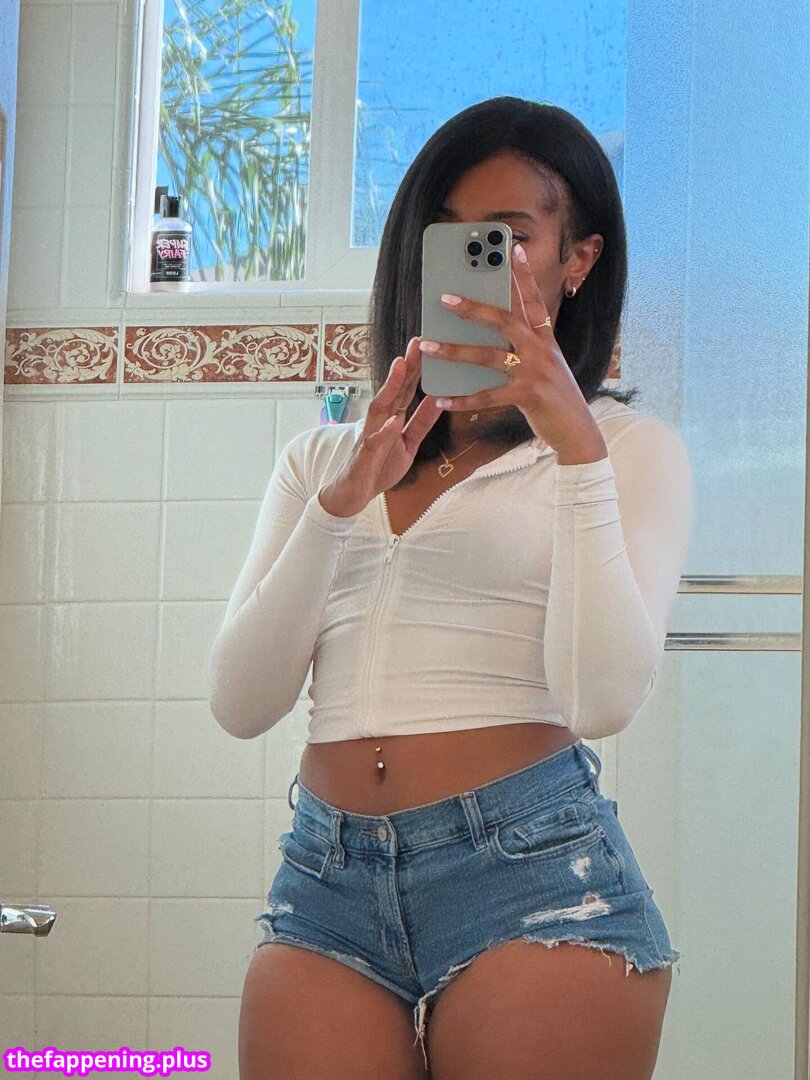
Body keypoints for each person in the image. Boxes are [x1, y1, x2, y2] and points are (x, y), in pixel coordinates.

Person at [208, 96, 693, 1080]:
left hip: (536, 874)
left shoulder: (626, 450)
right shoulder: (323, 461)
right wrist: (341, 505)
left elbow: (601, 702)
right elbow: (241, 704)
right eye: (451, 235)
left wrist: (575, 449)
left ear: (577, 259)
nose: (475, 261)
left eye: (509, 237)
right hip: (328, 877)